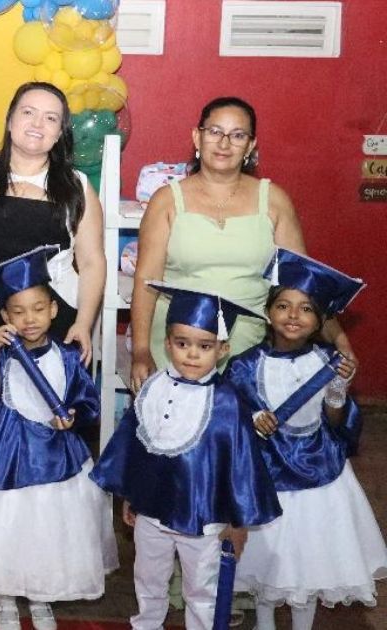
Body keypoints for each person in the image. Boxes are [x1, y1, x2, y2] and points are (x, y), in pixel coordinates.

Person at [0, 246, 117, 630]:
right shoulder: (3, 354)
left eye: (38, 309)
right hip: (5, 453)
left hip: (53, 457)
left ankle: (42, 595)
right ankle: (6, 595)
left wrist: (74, 417)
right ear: (5, 316)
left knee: (47, 528)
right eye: (18, 311)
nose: (29, 319)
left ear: (54, 311)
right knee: (7, 526)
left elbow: (85, 402)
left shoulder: (66, 356)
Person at [129, 96, 355, 392]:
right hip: (179, 334)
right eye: (214, 132)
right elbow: (146, 281)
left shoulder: (273, 199)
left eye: (237, 135)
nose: (224, 144)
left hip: (246, 339)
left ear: (250, 146)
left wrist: (340, 340)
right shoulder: (166, 199)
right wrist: (142, 350)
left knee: (240, 426)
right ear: (197, 137)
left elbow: (302, 283)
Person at [91, 283, 283, 630]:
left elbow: (240, 464)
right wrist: (129, 496)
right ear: (167, 344)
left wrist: (237, 524)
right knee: (148, 579)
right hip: (151, 513)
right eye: (182, 344)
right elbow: (134, 447)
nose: (192, 354)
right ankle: (147, 624)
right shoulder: (152, 388)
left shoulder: (226, 401)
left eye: (204, 346)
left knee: (201, 590)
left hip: (203, 519)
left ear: (222, 350)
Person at [226, 249, 386, 630]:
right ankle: (263, 623)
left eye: (306, 309)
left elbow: (335, 423)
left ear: (319, 321)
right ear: (268, 313)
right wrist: (253, 419)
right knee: (267, 564)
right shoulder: (245, 364)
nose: (293, 316)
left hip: (318, 475)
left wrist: (336, 392)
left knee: (307, 566)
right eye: (283, 305)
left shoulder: (328, 362)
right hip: (267, 477)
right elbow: (231, 413)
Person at [0, 82, 104, 424]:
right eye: (28, 112)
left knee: (56, 423)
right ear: (10, 119)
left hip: (59, 316)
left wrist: (85, 323)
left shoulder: (78, 186)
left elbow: (91, 261)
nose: (37, 124)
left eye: (50, 118)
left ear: (60, 133)